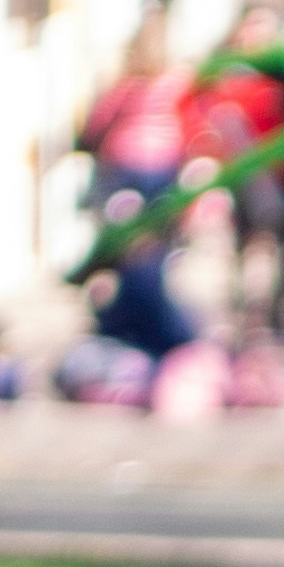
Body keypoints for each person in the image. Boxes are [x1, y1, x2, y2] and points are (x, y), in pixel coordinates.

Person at [79, 23, 202, 361]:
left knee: (128, 251)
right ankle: (148, 320)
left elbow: (96, 124)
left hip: (128, 167)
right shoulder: (179, 83)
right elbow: (193, 124)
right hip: (163, 167)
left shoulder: (127, 86)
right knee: (153, 251)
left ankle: (130, 319)